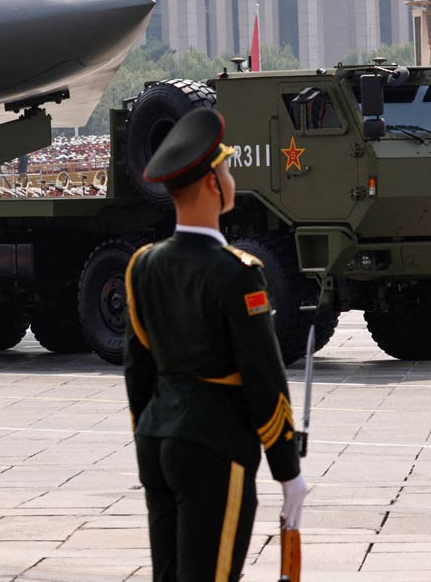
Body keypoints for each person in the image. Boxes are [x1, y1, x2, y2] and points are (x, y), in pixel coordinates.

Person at [124, 108, 307, 582]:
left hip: (156, 439)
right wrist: (287, 470)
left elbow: (137, 371)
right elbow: (263, 379)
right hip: (213, 446)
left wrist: (153, 425)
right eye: (225, 168)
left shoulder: (143, 266)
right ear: (211, 185)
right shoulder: (236, 273)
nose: (231, 176)